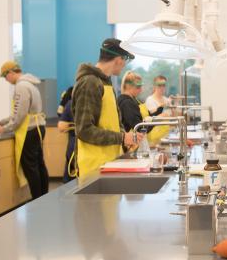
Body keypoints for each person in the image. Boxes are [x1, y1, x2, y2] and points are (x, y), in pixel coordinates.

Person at [72, 38, 142, 181]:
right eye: (125, 60)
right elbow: (84, 130)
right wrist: (122, 137)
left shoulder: (105, 82)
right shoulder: (90, 82)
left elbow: (112, 123)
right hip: (94, 168)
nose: (124, 65)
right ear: (118, 59)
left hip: (109, 163)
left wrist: (125, 139)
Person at [0, 61, 49, 200]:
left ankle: (37, 200)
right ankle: (44, 198)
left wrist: (3, 129)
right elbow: (18, 113)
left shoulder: (21, 87)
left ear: (11, 73)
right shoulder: (30, 84)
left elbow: (19, 116)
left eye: (5, 77)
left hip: (29, 130)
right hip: (38, 127)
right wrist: (0, 122)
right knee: (39, 164)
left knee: (31, 167)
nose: (6, 80)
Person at [143, 75, 171, 146]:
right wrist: (164, 106)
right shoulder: (150, 100)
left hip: (166, 137)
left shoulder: (166, 99)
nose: (162, 87)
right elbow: (153, 118)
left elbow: (172, 117)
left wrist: (174, 104)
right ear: (154, 86)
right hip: (154, 139)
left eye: (164, 85)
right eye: (159, 85)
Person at [56, 86, 76, 183]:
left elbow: (61, 125)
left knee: (71, 180)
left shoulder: (70, 104)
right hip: (79, 146)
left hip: (74, 146)